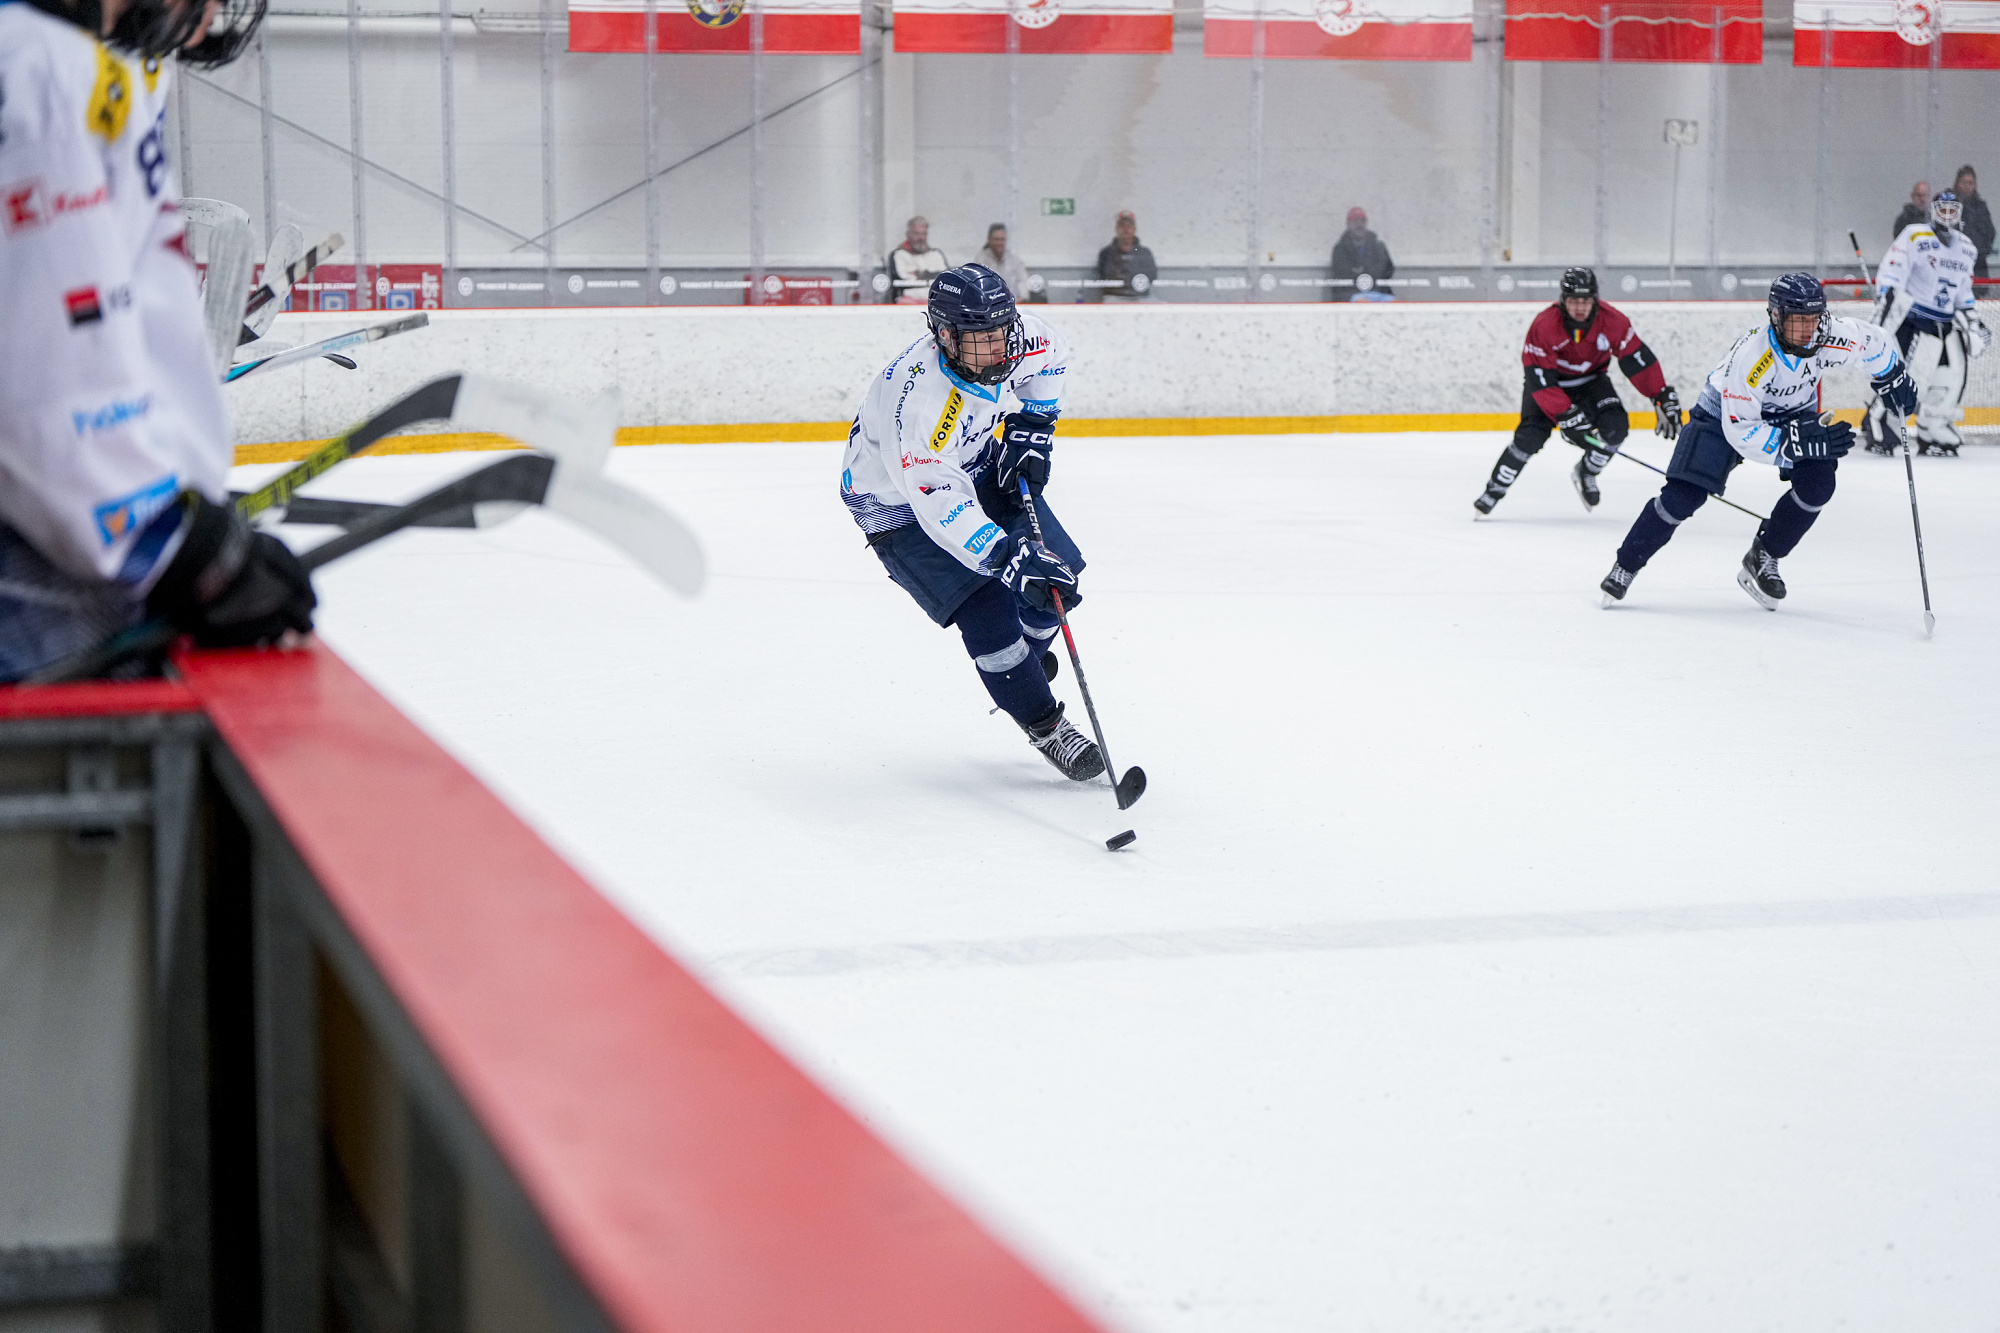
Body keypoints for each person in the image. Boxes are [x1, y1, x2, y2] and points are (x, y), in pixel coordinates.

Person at [0, 0, 314, 683]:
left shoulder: (69, 64)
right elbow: (50, 375)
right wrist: (176, 549)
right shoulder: (38, 67)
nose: (209, 19)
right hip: (40, 583)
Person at [839, 263, 1103, 780]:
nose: (997, 350)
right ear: (945, 336)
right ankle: (1046, 725)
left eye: (1001, 333)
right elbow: (939, 501)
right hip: (899, 507)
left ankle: (1027, 664)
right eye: (980, 340)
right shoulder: (919, 402)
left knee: (1057, 574)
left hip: (974, 461)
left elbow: (1052, 356)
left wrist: (1033, 425)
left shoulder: (1015, 339)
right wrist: (1004, 557)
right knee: (988, 611)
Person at [1599, 273, 1918, 611]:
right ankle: (1626, 564)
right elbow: (1741, 431)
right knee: (1682, 497)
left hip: (1793, 413)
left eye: (1814, 318)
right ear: (1777, 317)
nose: (1809, 329)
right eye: (1799, 320)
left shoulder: (1831, 335)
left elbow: (1874, 342)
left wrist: (1892, 375)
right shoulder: (1753, 356)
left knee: (1818, 485)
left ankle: (1764, 555)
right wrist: (1794, 445)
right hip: (1723, 414)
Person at [1473, 267, 1681, 516]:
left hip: (1591, 382)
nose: (1579, 307)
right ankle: (1493, 490)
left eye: (1586, 300)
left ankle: (1586, 472)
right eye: (1573, 300)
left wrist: (1660, 394)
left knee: (1615, 428)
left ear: (1595, 300)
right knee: (1529, 437)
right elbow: (1539, 377)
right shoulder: (1545, 325)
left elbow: (1637, 359)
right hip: (1549, 386)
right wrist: (1565, 413)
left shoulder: (1613, 321)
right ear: (1563, 300)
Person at [1862, 190, 1991, 457]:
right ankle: (1881, 426)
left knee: (1948, 380)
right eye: (1942, 209)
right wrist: (1887, 301)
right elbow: (1893, 271)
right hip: (1914, 321)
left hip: (1946, 324)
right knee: (1908, 380)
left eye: (1952, 209)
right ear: (1933, 210)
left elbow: (1963, 291)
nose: (1947, 214)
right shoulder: (1915, 236)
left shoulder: (1967, 247)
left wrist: (1972, 321)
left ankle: (1934, 430)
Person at [1328, 207, 1394, 302]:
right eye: (1355, 221)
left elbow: (1387, 270)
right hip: (1350, 293)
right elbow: (1342, 274)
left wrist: (1362, 271)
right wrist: (1366, 272)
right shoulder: (1340, 248)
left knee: (1395, 303)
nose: (1359, 224)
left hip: (1378, 291)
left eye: (1362, 221)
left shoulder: (1378, 245)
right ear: (1348, 224)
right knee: (1363, 303)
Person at [1094, 211, 1157, 302]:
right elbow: (1104, 277)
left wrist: (1130, 276)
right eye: (1122, 226)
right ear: (1116, 229)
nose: (1125, 229)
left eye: (1129, 226)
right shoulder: (1106, 253)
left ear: (1134, 229)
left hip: (1141, 297)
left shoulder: (1144, 252)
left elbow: (1151, 276)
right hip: (1114, 296)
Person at [887, 216, 949, 305]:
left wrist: (921, 274)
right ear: (908, 235)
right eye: (916, 234)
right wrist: (931, 276)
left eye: (924, 234)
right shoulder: (898, 255)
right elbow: (900, 280)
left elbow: (945, 277)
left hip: (936, 302)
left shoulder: (936, 254)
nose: (920, 238)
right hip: (907, 304)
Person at [1952, 165, 1995, 280]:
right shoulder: (1951, 206)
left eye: (1970, 183)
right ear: (1957, 183)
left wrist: (1982, 250)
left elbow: (1990, 232)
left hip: (1978, 264)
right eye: (1964, 182)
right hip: (1955, 261)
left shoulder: (1981, 207)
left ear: (1975, 185)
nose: (1967, 186)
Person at [974, 223, 1029, 301]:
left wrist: (1020, 298)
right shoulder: (981, 259)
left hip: (1015, 303)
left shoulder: (1014, 259)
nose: (999, 243)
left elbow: (1023, 281)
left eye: (1002, 239)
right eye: (996, 239)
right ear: (989, 240)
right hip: (991, 304)